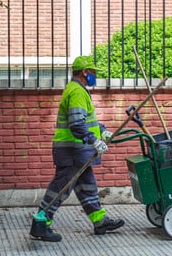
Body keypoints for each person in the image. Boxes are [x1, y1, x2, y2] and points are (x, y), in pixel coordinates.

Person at [30, 55, 125, 242]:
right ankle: (41, 223)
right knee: (61, 188)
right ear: (85, 72)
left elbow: (87, 121)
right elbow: (76, 124)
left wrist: (102, 131)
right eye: (94, 72)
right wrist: (94, 141)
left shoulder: (77, 89)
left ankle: (100, 221)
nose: (95, 76)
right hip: (72, 151)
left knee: (87, 186)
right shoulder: (77, 92)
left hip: (76, 151)